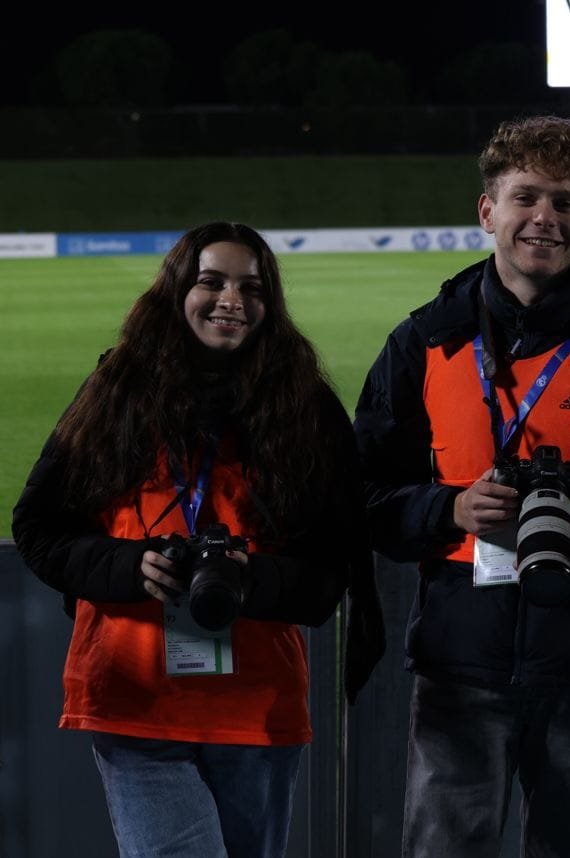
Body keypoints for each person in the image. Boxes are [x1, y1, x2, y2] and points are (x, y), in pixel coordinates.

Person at [354, 115, 570, 857]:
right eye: (525, 198)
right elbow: (361, 496)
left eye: (564, 202)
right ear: (488, 211)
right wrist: (447, 507)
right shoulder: (423, 341)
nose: (543, 218)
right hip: (462, 662)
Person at [13, 221, 383, 858]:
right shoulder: (117, 395)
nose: (232, 301)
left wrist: (252, 577)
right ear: (178, 289)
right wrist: (132, 568)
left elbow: (331, 569)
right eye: (211, 282)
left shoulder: (306, 409)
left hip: (256, 704)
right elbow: (40, 528)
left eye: (253, 287)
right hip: (135, 698)